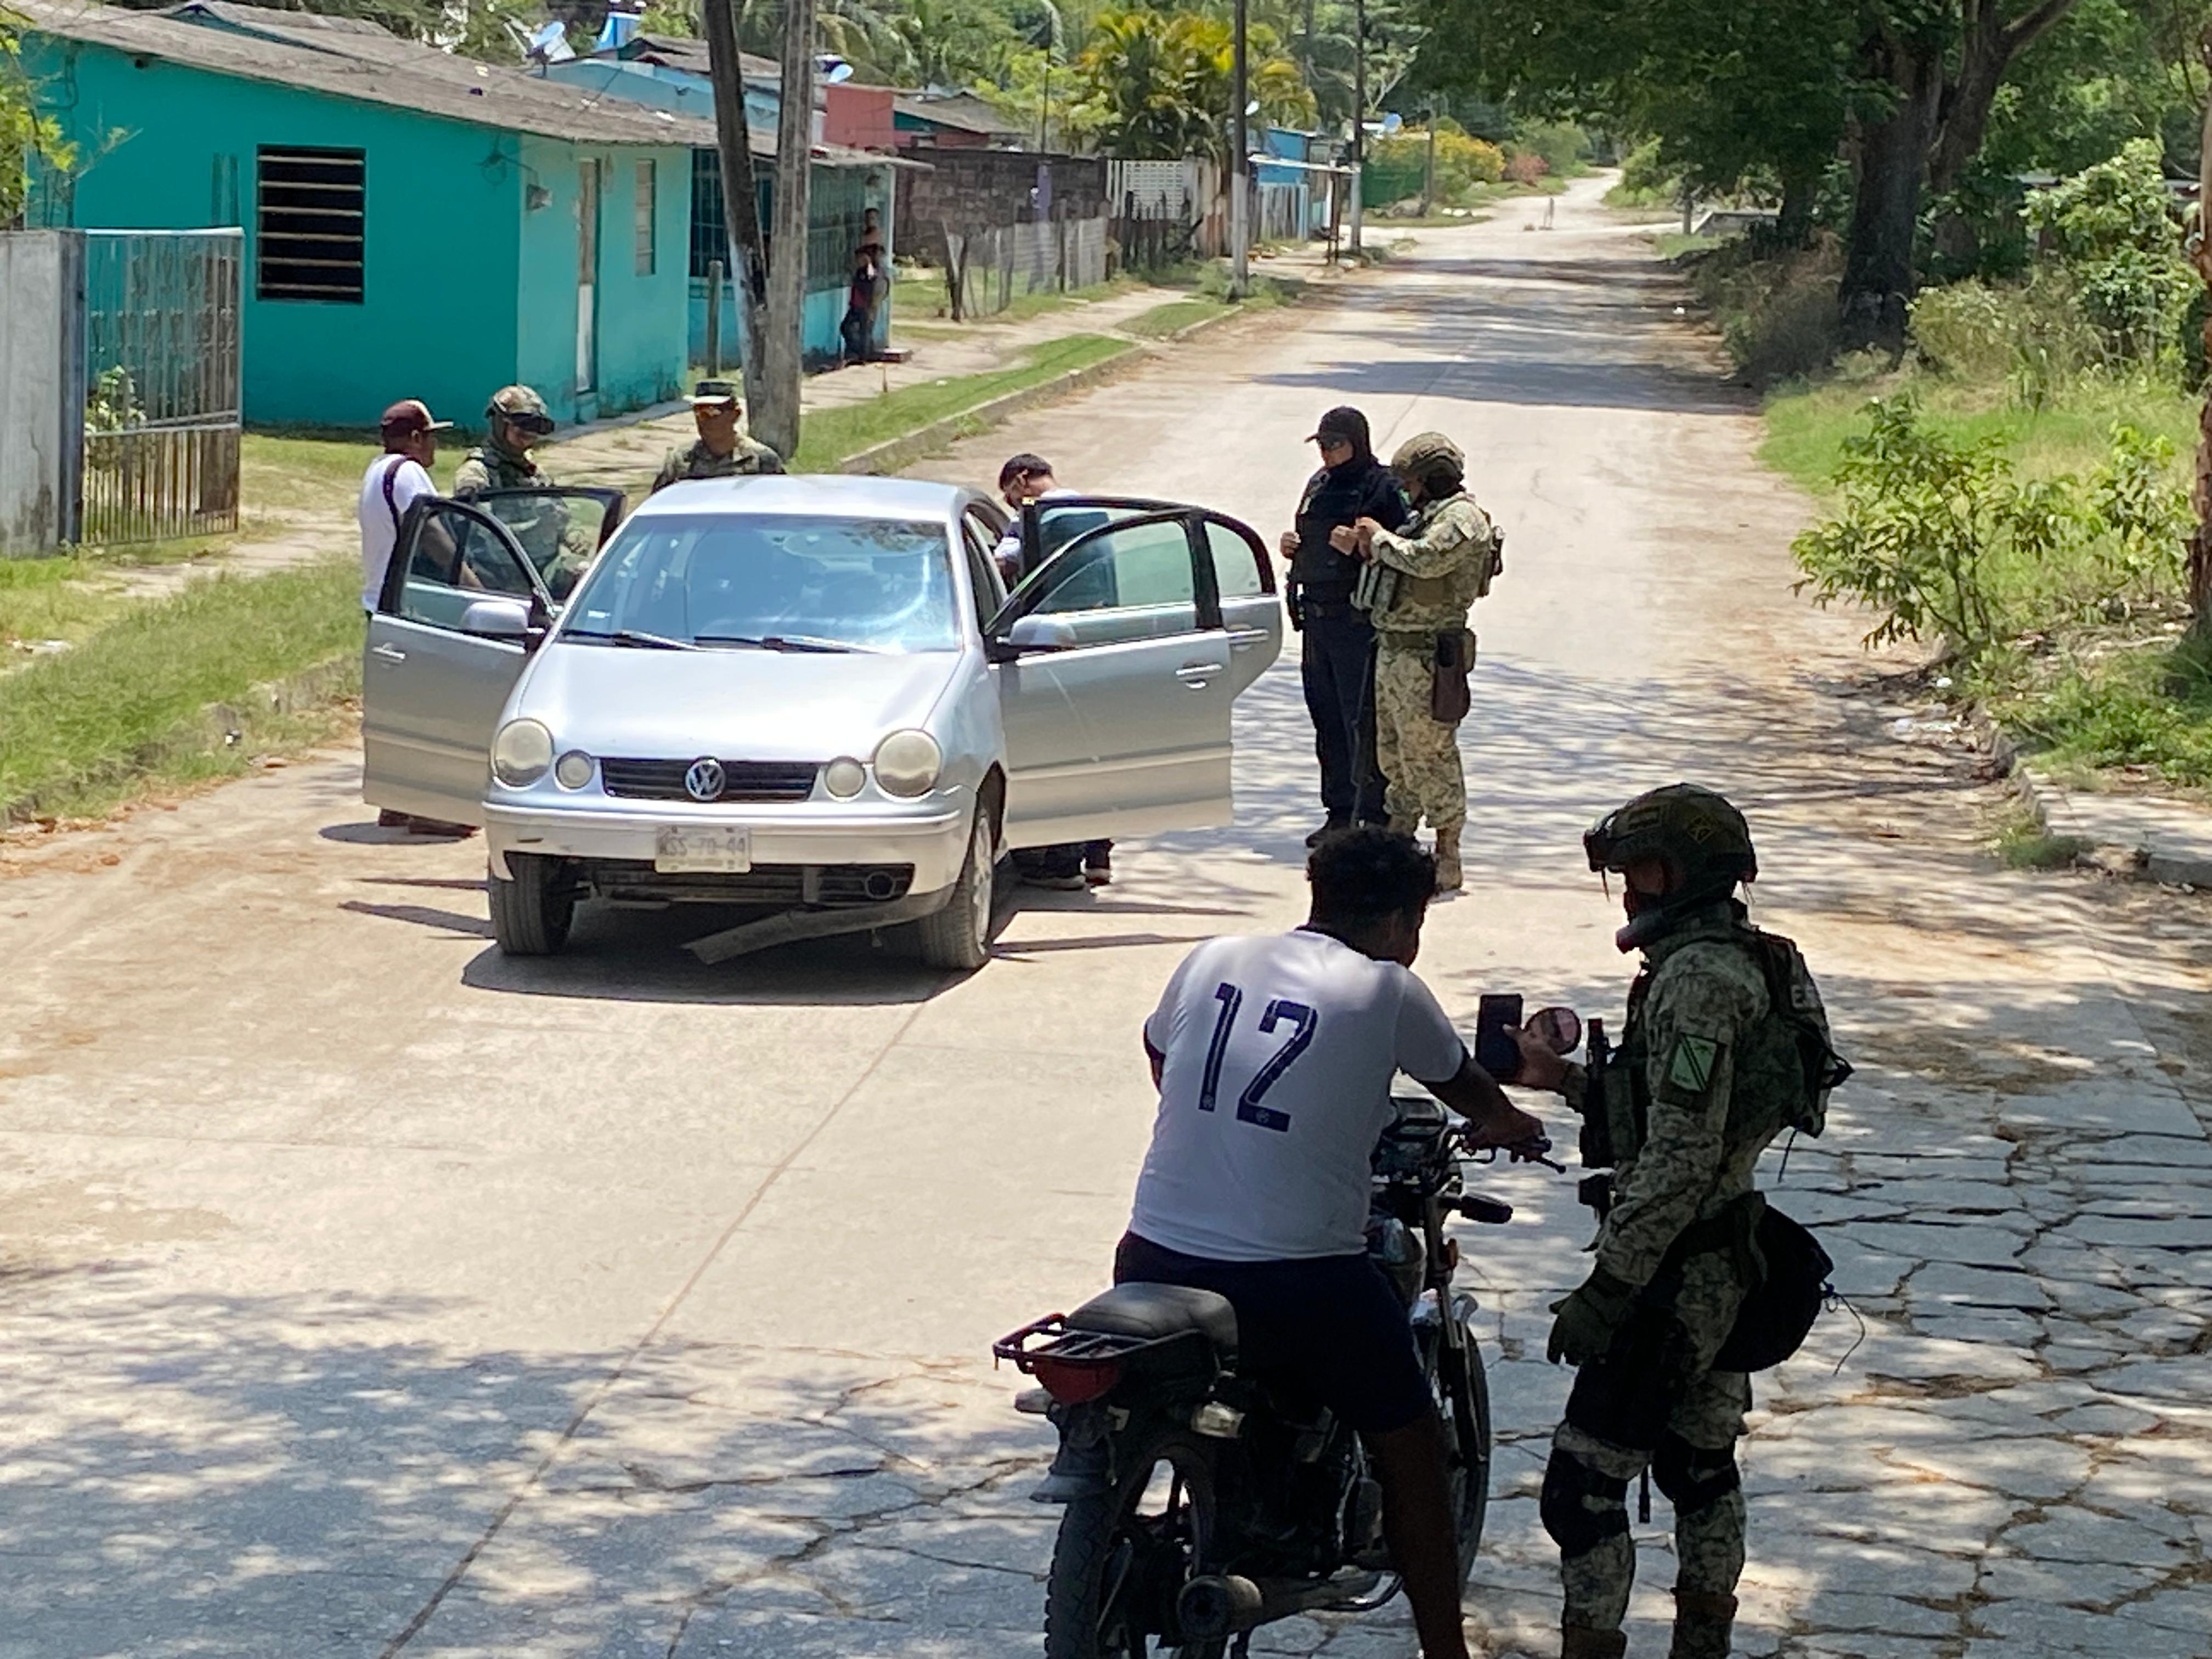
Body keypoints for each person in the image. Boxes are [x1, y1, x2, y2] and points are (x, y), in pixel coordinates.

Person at [1120, 827, 1544, 1659]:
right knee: (1413, 1450)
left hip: (1152, 1256)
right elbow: (1468, 1090)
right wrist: (1516, 1125)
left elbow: (1161, 1052)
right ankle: (1443, 1649)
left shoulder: (1213, 958)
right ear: (1400, 922)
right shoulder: (1389, 988)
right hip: (1300, 1283)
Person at [1509, 786, 1839, 1659]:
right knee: (1699, 1467)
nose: (1630, 893)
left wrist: (1610, 1287)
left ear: (1685, 876)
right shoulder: (1748, 960)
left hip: (1679, 1271)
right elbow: (1695, 1120)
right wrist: (1572, 1084)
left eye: (1643, 872)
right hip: (1728, 1253)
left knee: (1581, 1490)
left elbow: (1682, 1157)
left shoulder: (1697, 982)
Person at [1334, 432, 1498, 895]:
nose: (1406, 491)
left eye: (1410, 482)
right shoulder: (1426, 516)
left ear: (1431, 479)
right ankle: (1398, 846)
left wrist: (1379, 539)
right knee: (1394, 754)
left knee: (1431, 753)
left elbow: (1425, 562)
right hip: (1395, 649)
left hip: (1427, 656)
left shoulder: (1461, 520)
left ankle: (1448, 851)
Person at [1280, 405, 1408, 845]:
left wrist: (1366, 546)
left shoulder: (1382, 487)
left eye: (1335, 445)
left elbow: (1408, 552)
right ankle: (1338, 811)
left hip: (1359, 622)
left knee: (1363, 722)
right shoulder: (1319, 485)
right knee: (1328, 720)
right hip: (1317, 619)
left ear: (1358, 442)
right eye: (1322, 445)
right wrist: (1292, 546)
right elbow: (1305, 533)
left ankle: (1371, 815)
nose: (1327, 455)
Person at [994, 452, 1111, 888]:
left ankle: (1062, 861)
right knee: (1096, 744)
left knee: (1062, 746)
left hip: (1053, 644)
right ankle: (1098, 851)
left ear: (1022, 480)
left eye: (1010, 496)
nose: (1012, 506)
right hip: (1098, 640)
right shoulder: (1094, 511)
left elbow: (1001, 564)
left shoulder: (1036, 516)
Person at [454, 385, 595, 597]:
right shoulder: (476, 476)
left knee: (593, 578)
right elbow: (477, 539)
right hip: (499, 579)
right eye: (520, 431)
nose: (527, 439)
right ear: (500, 425)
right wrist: (536, 528)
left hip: (543, 570)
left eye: (533, 434)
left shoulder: (534, 473)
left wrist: (574, 537)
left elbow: (562, 516)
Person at [357, 398, 447, 613]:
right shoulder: (407, 471)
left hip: (378, 599)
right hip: (403, 602)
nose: (435, 444)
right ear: (416, 438)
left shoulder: (378, 468)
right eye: (431, 436)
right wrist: (472, 583)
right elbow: (432, 533)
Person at [649, 380, 785, 493]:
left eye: (712, 412)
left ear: (735, 414)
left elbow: (782, 507)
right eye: (699, 412)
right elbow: (658, 508)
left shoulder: (762, 460)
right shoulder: (679, 462)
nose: (704, 420)